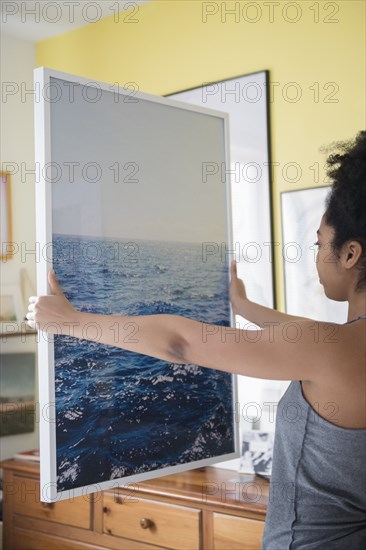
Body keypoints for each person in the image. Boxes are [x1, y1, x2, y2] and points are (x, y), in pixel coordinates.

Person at [27, 131, 366, 549]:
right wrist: (244, 306)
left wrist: (71, 321)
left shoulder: (328, 348)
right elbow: (308, 338)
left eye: (319, 243)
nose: (316, 256)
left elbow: (180, 342)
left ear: (350, 254)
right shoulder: (339, 346)